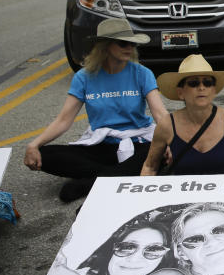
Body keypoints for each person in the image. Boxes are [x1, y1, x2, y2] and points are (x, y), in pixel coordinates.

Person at [24, 18, 169, 202]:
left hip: (138, 142)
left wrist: (172, 141)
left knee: (160, 151)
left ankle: (89, 184)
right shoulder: (84, 77)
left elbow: (159, 113)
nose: (129, 48)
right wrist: (34, 145)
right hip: (101, 144)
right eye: (123, 43)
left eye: (132, 43)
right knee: (44, 155)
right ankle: (116, 176)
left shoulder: (142, 73)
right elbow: (63, 120)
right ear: (105, 46)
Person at [141, 54, 224, 175]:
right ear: (180, 92)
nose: (201, 87)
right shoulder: (167, 125)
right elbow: (150, 167)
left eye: (208, 83)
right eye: (194, 83)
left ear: (214, 90)